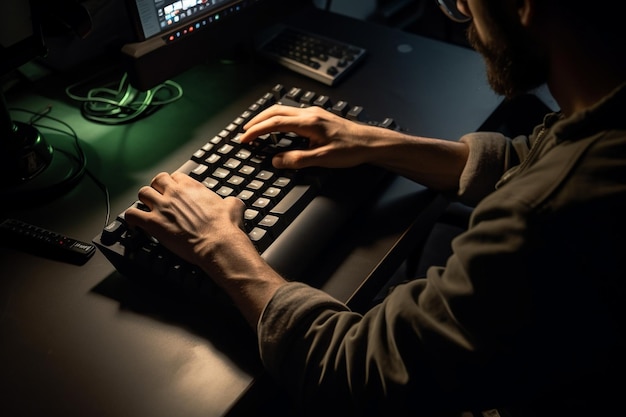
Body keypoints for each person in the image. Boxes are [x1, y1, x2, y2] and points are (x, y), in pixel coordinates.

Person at [124, 0, 626, 416]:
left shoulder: (552, 211)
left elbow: (357, 372)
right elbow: (532, 160)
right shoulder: (602, 110)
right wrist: (379, 143)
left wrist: (219, 246)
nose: (463, 15)